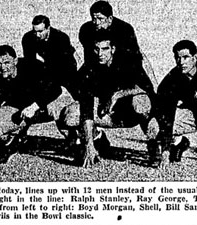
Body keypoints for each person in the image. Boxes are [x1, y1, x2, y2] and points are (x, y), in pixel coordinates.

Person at [63, 30, 157, 168]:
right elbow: (86, 106)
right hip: (105, 112)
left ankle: (155, 143)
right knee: (69, 115)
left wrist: (118, 95)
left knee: (142, 103)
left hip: (128, 112)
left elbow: (148, 89)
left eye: (105, 49)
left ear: (113, 49)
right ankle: (97, 140)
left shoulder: (128, 63)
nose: (100, 54)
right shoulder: (90, 68)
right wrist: (89, 143)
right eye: (97, 49)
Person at [0, 45, 75, 170]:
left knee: (67, 116)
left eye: (7, 62)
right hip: (23, 109)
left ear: (15, 61)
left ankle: (79, 140)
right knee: (0, 122)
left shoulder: (32, 66)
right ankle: (14, 140)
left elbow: (55, 89)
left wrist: (35, 106)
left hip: (48, 100)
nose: (3, 67)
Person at [21, 15, 78, 97]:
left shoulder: (61, 38)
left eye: (40, 31)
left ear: (48, 28)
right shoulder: (28, 38)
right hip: (42, 73)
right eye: (35, 31)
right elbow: (30, 62)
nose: (37, 35)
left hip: (64, 72)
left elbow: (65, 64)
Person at [79, 1, 145, 69]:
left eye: (100, 19)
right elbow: (89, 57)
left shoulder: (125, 30)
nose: (96, 23)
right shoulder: (86, 29)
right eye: (94, 18)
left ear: (110, 19)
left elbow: (133, 57)